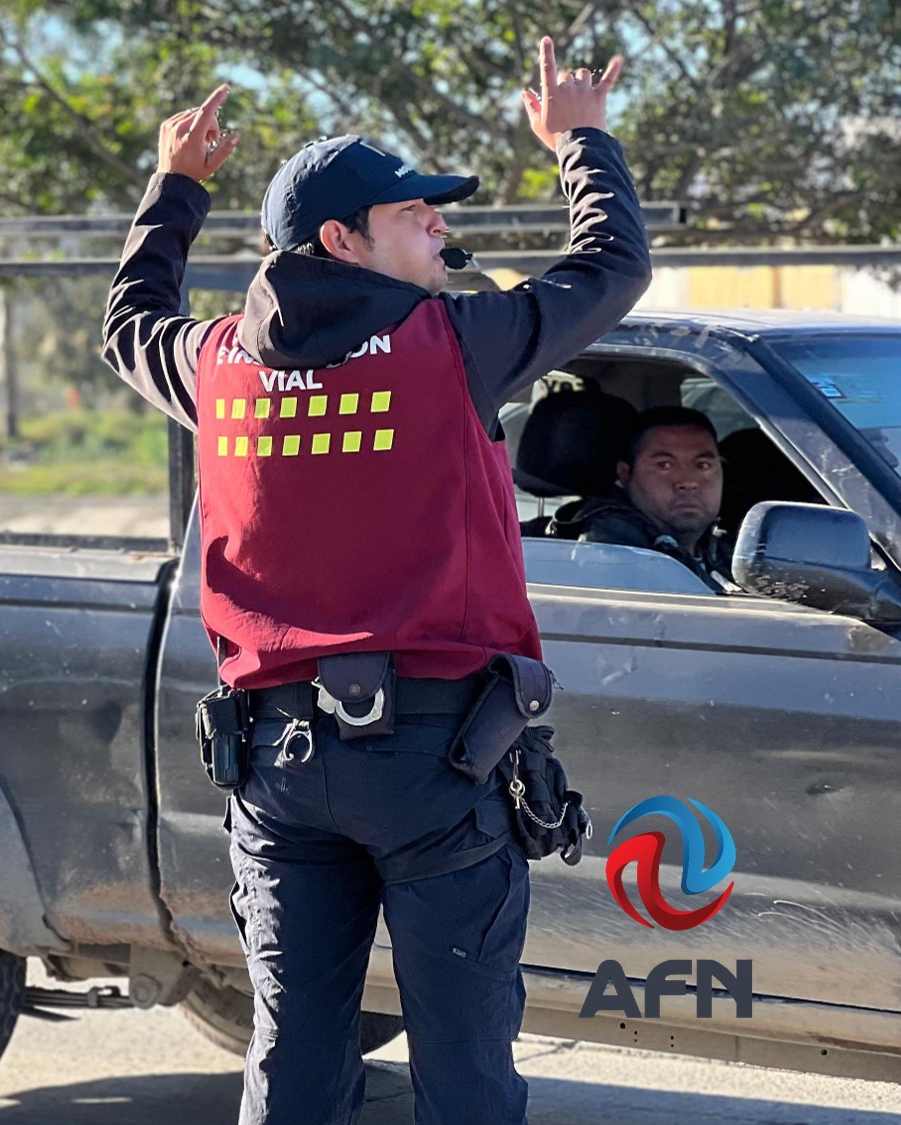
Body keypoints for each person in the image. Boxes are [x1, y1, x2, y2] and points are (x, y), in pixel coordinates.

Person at [100, 36, 648, 1125]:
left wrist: (174, 188)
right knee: (464, 1075)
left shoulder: (216, 364)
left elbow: (123, 325)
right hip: (434, 768)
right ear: (339, 241)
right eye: (413, 216)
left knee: (293, 1065)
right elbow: (608, 267)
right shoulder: (451, 343)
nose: (439, 226)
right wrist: (578, 138)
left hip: (276, 771)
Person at [548, 406, 735, 590]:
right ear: (625, 474)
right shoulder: (613, 548)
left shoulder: (725, 551)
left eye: (702, 465)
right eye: (664, 465)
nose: (687, 481)